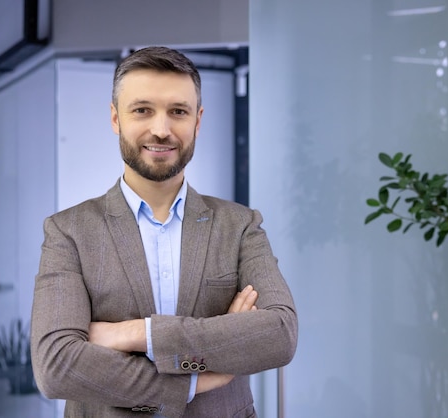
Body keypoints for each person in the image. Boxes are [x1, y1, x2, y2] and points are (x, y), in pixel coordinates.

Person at [30, 46, 298, 418]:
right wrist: (194, 379)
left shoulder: (240, 226)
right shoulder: (69, 231)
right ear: (115, 118)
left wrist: (136, 334)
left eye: (178, 112)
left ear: (198, 121)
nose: (161, 129)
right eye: (142, 110)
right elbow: (56, 366)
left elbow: (279, 335)